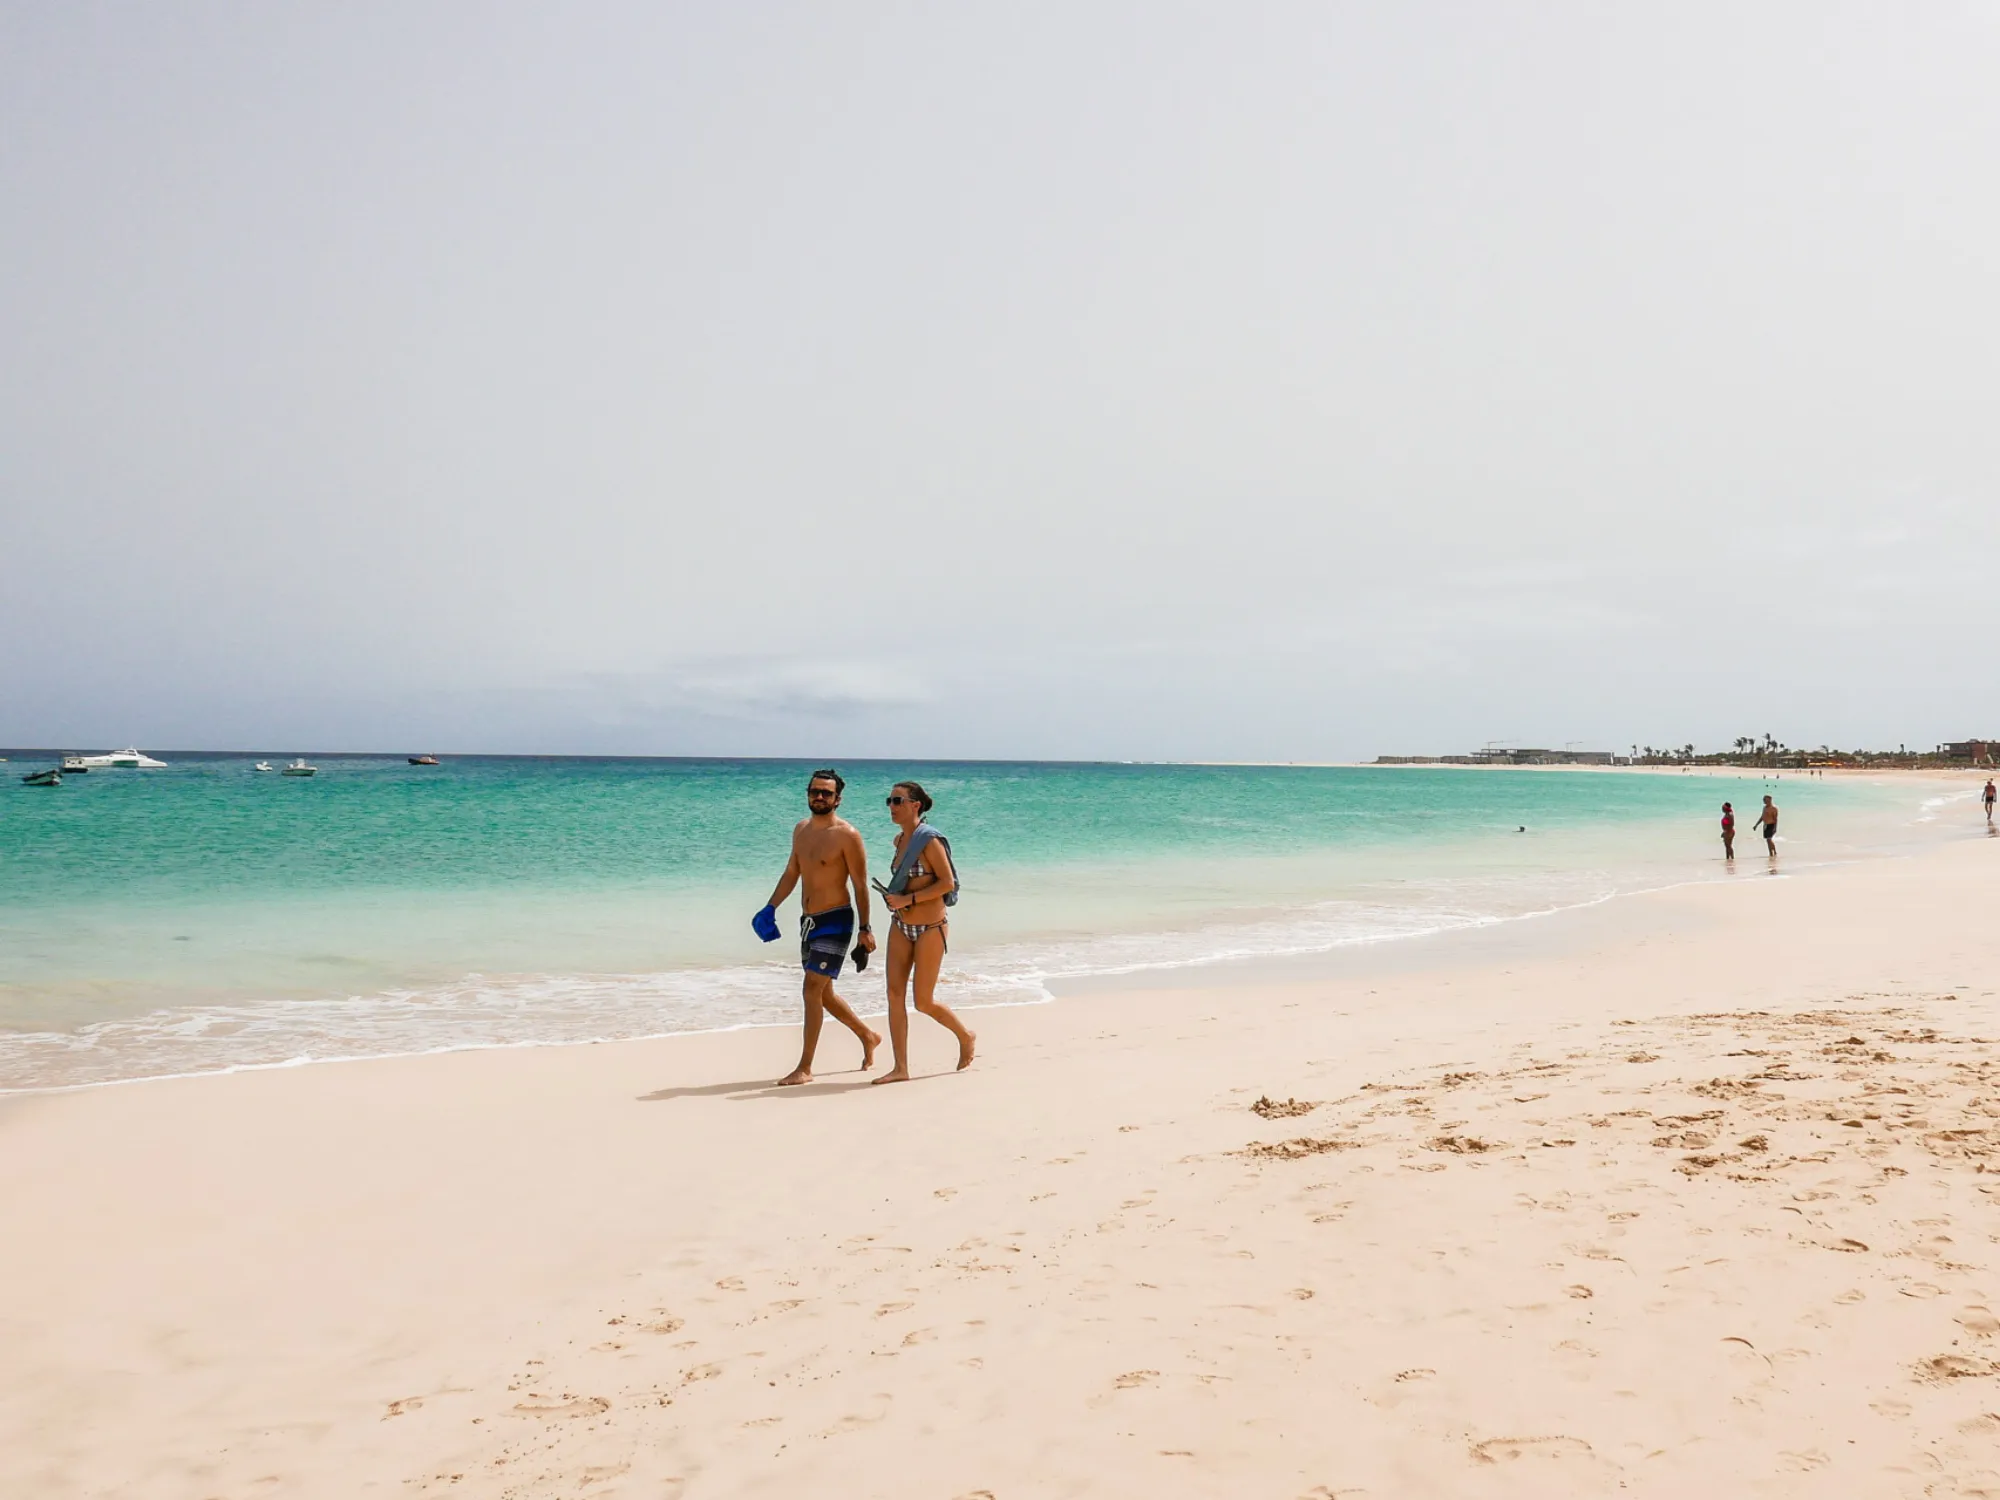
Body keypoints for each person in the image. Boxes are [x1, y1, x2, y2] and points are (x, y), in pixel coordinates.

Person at [753, 769, 880, 1085]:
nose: (820, 797)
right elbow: (791, 872)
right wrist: (770, 907)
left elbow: (860, 885)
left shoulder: (847, 835)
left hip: (836, 919)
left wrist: (865, 929)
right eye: (815, 791)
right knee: (823, 994)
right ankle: (868, 1035)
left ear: (838, 799)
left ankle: (805, 1068)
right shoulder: (801, 830)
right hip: (809, 922)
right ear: (808, 794)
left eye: (826, 793)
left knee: (811, 989)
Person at [873, 780, 976, 1084]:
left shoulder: (929, 841)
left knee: (923, 1001)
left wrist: (908, 900)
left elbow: (947, 883)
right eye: (889, 801)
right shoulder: (899, 841)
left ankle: (965, 1035)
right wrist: (895, 899)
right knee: (894, 995)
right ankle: (900, 1068)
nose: (892, 807)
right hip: (901, 925)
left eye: (898, 801)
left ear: (915, 805)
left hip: (931, 928)